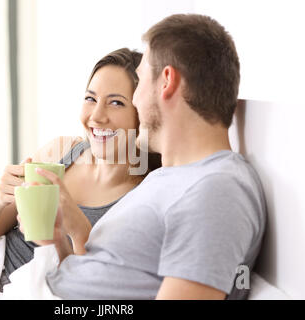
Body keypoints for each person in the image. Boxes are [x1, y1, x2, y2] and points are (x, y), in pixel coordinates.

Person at [38, 14, 267, 300]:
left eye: (141, 81)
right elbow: (101, 275)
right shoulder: (169, 177)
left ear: (167, 81)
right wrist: (61, 238)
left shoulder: (217, 190)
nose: (134, 100)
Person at [0, 48, 162, 292]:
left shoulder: (144, 195)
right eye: (90, 99)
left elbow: (98, 290)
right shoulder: (60, 154)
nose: (96, 116)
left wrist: (78, 228)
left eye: (116, 103)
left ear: (142, 112)